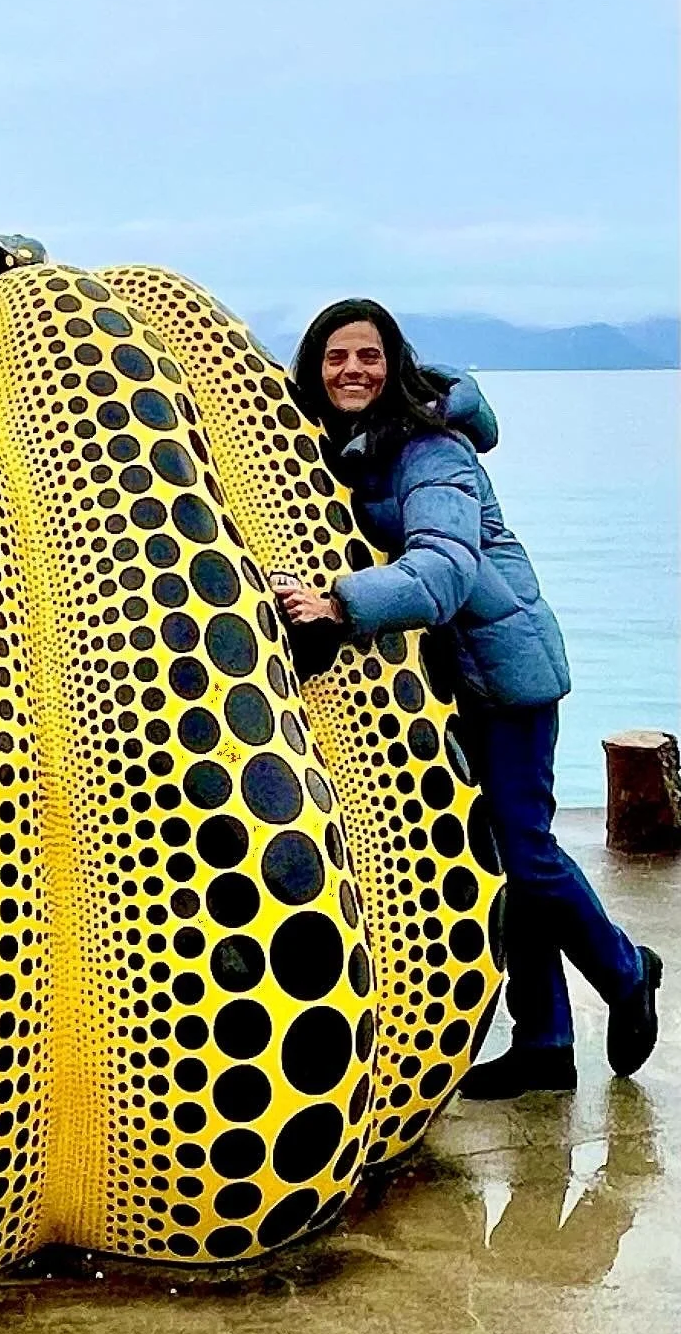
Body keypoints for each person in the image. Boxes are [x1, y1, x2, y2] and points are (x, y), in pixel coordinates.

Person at [277, 297, 662, 1098]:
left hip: (507, 674)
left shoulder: (430, 449)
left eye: (369, 355)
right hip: (454, 676)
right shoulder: (352, 446)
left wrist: (342, 603)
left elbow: (445, 568)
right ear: (314, 369)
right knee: (502, 855)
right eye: (336, 357)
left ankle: (628, 969)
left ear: (395, 365)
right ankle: (546, 1041)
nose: (353, 370)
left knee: (525, 852)